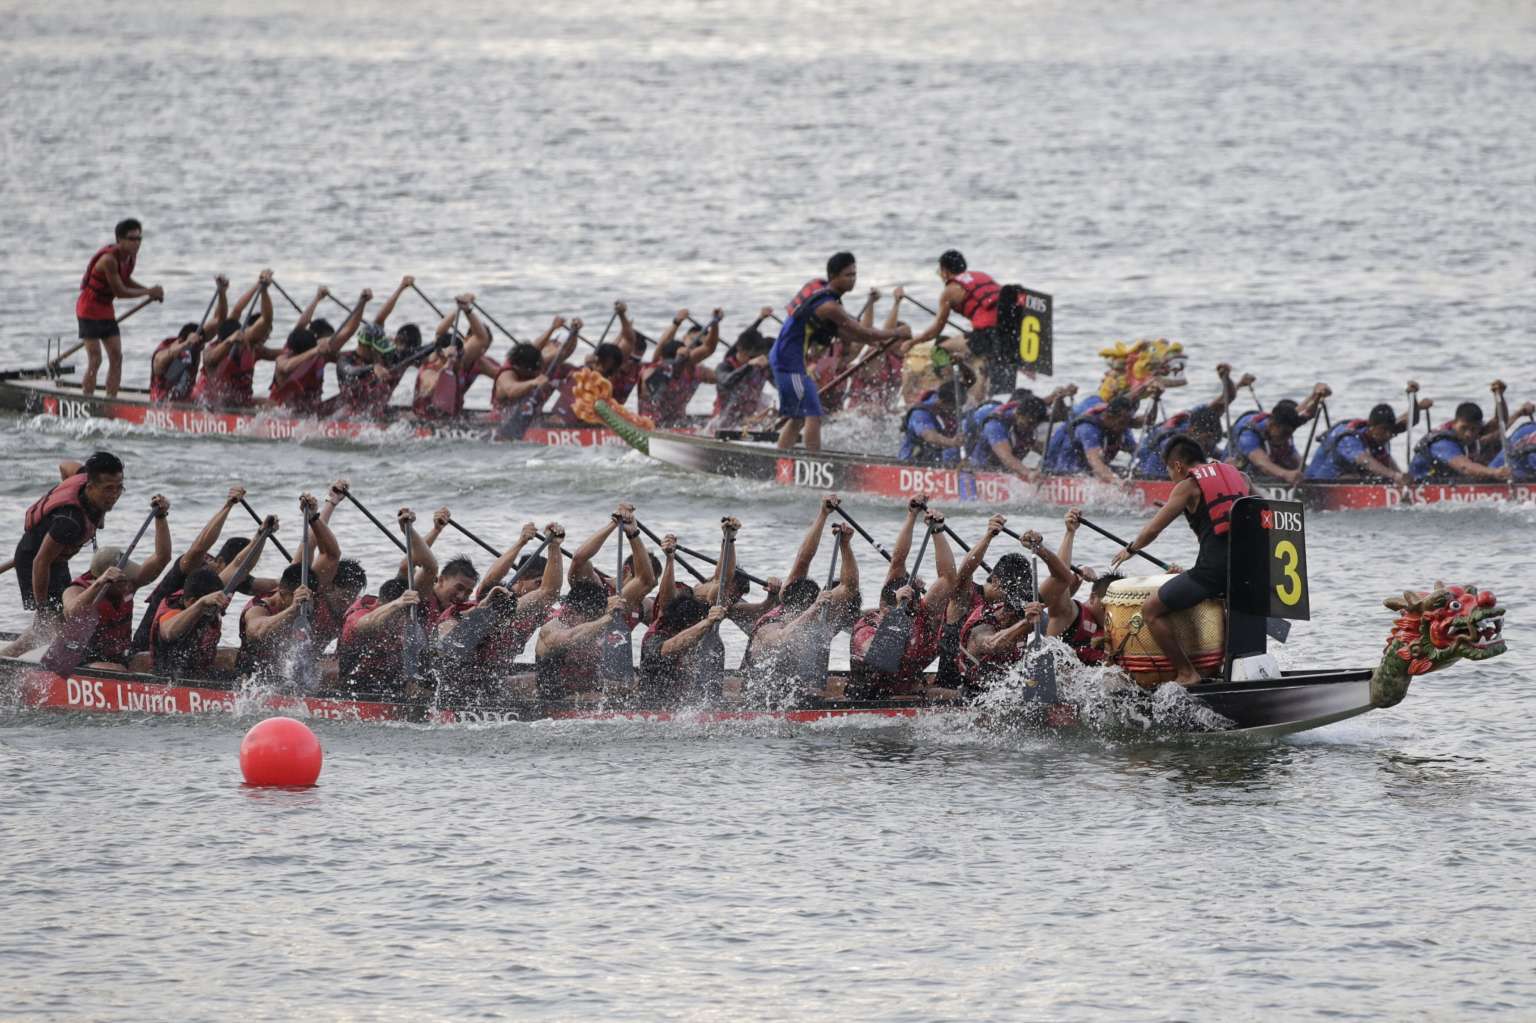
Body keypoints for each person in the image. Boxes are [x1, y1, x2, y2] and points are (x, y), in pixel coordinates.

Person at [1111, 435, 1252, 685]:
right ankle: (1230, 668)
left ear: (1177, 465)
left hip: (1213, 573)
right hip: (1248, 569)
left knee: (1151, 610)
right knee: (1225, 606)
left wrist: (1131, 549)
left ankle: (1187, 673)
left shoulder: (1187, 486)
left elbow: (1153, 530)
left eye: (1169, 472)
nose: (1171, 479)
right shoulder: (1238, 477)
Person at [769, 252, 912, 451]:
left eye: (855, 274)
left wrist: (873, 340)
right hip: (788, 361)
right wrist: (896, 332)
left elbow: (850, 334)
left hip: (789, 359)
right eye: (848, 275)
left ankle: (782, 457)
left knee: (799, 416)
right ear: (833, 276)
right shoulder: (829, 307)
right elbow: (861, 332)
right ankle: (813, 461)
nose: (853, 279)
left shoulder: (822, 292)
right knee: (812, 413)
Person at [130, 485, 277, 652]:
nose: (210, 565)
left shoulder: (214, 586)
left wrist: (261, 535)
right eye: (207, 564)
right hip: (149, 650)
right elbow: (198, 548)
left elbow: (240, 567)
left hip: (192, 651)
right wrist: (228, 505)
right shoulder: (183, 578)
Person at [743, 497, 859, 700]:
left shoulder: (819, 615)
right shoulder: (771, 623)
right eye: (812, 609)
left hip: (807, 693)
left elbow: (848, 587)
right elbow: (781, 640)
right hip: (763, 696)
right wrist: (812, 610)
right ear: (791, 608)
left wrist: (845, 545)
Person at [535, 505, 656, 699]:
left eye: (597, 616)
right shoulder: (554, 627)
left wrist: (633, 534)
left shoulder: (611, 607)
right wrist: (613, 524)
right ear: (572, 612)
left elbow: (646, 581)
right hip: (557, 700)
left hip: (591, 690)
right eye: (591, 617)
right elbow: (579, 559)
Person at [42, 496, 172, 670]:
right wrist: (100, 584)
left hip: (117, 657)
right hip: (80, 662)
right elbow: (72, 612)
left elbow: (162, 558)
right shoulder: (76, 590)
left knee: (154, 661)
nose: (128, 584)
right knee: (117, 670)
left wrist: (161, 517)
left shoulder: (130, 584)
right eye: (122, 581)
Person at [848, 500, 958, 697]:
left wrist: (937, 531)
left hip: (911, 690)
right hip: (871, 696)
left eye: (912, 611)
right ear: (883, 607)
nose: (911, 616)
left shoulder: (919, 612)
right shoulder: (867, 629)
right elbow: (879, 657)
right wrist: (898, 612)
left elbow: (948, 579)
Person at [434, 521, 566, 681]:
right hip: (456, 678)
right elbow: (491, 580)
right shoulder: (461, 613)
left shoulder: (515, 609)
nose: (539, 588)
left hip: (495, 678)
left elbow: (549, 593)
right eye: (537, 582)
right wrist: (521, 542)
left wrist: (554, 546)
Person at [150, 525, 274, 676]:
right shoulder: (173, 608)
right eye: (210, 607)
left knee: (249, 670)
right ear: (191, 602)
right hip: (171, 677)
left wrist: (260, 537)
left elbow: (239, 567)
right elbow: (169, 631)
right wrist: (201, 604)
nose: (214, 612)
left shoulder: (212, 591)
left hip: (201, 672)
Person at [336, 508, 437, 694]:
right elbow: (366, 623)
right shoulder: (359, 615)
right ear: (381, 605)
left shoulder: (405, 605)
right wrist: (398, 604)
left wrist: (409, 531)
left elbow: (428, 567)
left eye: (402, 616)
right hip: (357, 687)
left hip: (394, 683)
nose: (401, 621)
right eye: (398, 616)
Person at [14, 453, 125, 618]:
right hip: (33, 562)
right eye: (108, 489)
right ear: (90, 487)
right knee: (52, 617)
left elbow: (65, 465)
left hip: (57, 557)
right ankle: (40, 628)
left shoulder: (85, 476)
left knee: (66, 612)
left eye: (119, 487)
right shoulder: (70, 520)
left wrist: (64, 488)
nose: (115, 495)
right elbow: (41, 562)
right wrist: (42, 610)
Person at [75, 218, 163, 397]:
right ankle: (87, 399)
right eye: (132, 239)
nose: (136, 243)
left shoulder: (130, 258)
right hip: (88, 308)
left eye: (139, 239)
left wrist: (149, 291)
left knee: (116, 357)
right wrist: (149, 291)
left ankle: (111, 400)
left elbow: (126, 280)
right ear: (119, 240)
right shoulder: (109, 260)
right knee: (95, 359)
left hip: (105, 309)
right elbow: (120, 291)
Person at [910, 250, 1013, 395]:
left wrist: (912, 342)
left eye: (940, 271)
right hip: (1010, 334)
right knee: (1001, 386)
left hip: (987, 336)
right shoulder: (982, 276)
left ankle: (948, 390)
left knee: (940, 349)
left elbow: (935, 331)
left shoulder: (950, 291)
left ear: (945, 271)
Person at [958, 534, 1047, 691]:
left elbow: (1062, 581)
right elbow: (993, 644)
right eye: (1017, 616)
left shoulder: (1022, 609)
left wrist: (1040, 549)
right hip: (974, 694)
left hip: (1007, 689)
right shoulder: (983, 624)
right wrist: (1025, 623)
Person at [1131, 365, 1249, 478]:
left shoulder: (1205, 437)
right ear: (1192, 431)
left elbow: (1228, 397)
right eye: (1206, 440)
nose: (1208, 445)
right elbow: (1185, 471)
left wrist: (1233, 465)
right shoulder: (1175, 445)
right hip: (1151, 475)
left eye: (1211, 440)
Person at [270, 288, 372, 414]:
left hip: (312, 411)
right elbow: (286, 366)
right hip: (283, 414)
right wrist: (315, 351)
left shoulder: (318, 349)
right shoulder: (285, 356)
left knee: (348, 400)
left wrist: (361, 303)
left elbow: (349, 330)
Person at [1038, 510, 1118, 666]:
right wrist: (1070, 533)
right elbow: (1060, 578)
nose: (1113, 614)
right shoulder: (1068, 613)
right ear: (1093, 597)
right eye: (1108, 606)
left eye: (1117, 608)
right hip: (1057, 675)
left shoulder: (1117, 626)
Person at [193, 273, 283, 407]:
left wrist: (259, 286)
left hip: (240, 402)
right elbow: (265, 320)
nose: (265, 337)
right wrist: (230, 341)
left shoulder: (252, 348)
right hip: (210, 404)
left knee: (272, 405)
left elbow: (238, 310)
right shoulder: (211, 353)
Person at [1225, 385, 1330, 484]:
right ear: (1272, 425)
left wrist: (1316, 395)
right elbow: (1262, 463)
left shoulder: (1287, 422)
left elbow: (1308, 413)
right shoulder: (1248, 434)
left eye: (1290, 433)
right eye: (1284, 434)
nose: (1286, 438)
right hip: (1243, 467)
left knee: (1303, 471)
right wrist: (1286, 474)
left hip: (1271, 455)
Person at [150, 276, 228, 403]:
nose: (202, 348)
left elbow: (219, 320)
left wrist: (222, 293)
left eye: (201, 345)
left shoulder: (197, 342)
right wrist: (186, 344)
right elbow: (158, 362)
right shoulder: (167, 349)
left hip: (186, 402)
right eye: (198, 345)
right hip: (162, 404)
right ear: (181, 340)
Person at [639, 310, 721, 428]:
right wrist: (676, 322)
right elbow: (662, 345)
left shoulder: (695, 369)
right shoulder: (656, 366)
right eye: (695, 342)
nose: (696, 347)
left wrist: (715, 322)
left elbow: (709, 347)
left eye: (699, 345)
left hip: (677, 425)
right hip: (648, 424)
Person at [1304, 402, 1420, 485]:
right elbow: (1365, 460)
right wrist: (1394, 476)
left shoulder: (1381, 432)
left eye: (1390, 430)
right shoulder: (1348, 438)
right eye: (1384, 430)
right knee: (1357, 477)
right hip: (1318, 482)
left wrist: (1415, 401)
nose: (1388, 435)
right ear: (1371, 427)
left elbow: (1411, 420)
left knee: (1383, 465)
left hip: (1347, 476)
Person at [962, 388, 1064, 480]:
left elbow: (1056, 413)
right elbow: (1006, 457)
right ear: (1018, 414)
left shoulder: (1029, 413)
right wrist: (1028, 473)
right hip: (974, 431)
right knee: (986, 462)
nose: (1029, 427)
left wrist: (1058, 398)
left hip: (1004, 420)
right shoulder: (995, 425)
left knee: (1026, 444)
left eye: (1033, 425)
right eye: (1028, 423)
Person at [1410, 402, 1513, 482]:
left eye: (1473, 429)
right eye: (1464, 428)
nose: (1468, 434)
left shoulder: (1470, 431)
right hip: (1422, 483)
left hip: (1444, 479)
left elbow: (1499, 422)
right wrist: (1494, 472)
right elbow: (1464, 467)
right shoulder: (1443, 442)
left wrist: (1499, 395)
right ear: (1454, 423)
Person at [1043, 396, 1138, 483]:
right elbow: (1095, 460)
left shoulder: (1121, 426)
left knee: (1128, 472)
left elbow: (1137, 451)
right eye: (1122, 423)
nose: (1125, 427)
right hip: (1067, 470)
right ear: (1108, 416)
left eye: (1128, 422)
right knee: (1101, 474)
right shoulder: (1088, 429)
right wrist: (1117, 482)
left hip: (1089, 470)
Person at [898, 362, 977, 465]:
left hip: (935, 461)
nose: (955, 411)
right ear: (941, 403)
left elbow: (970, 380)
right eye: (952, 408)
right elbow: (929, 436)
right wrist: (952, 442)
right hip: (911, 463)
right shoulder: (920, 413)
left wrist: (961, 364)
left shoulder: (948, 394)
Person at [708, 310, 775, 430]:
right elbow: (726, 382)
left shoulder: (761, 366)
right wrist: (748, 366)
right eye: (750, 356)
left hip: (749, 422)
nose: (755, 359)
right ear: (740, 349)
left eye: (756, 356)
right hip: (721, 424)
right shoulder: (724, 367)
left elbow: (779, 384)